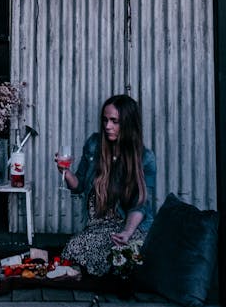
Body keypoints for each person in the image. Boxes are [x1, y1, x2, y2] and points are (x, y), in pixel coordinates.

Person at [56, 94, 156, 277]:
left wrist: (126, 232)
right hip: (99, 227)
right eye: (105, 120)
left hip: (129, 226)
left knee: (123, 252)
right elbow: (78, 186)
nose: (107, 126)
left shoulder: (145, 158)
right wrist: (65, 172)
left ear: (128, 123)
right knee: (73, 247)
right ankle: (114, 271)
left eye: (114, 121)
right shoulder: (94, 144)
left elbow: (140, 205)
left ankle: (119, 270)